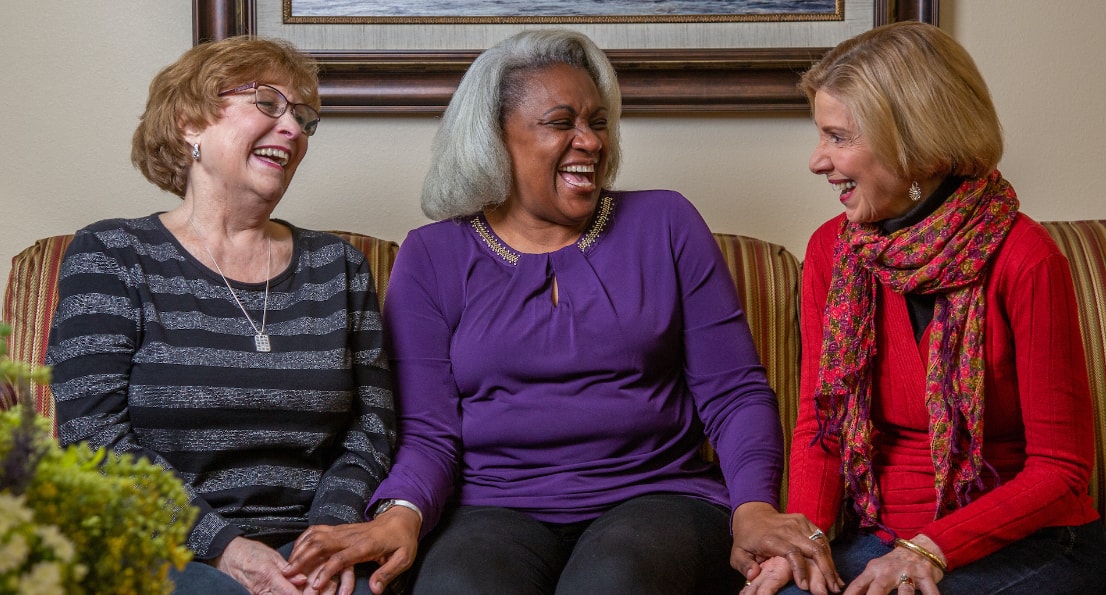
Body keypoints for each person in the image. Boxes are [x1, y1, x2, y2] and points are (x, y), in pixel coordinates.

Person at [284, 28, 841, 595]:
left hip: (657, 496)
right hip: (490, 506)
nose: (592, 142)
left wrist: (753, 507)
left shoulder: (666, 224)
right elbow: (429, 432)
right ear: (494, 139)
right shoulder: (432, 256)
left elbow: (734, 393)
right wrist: (400, 511)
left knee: (613, 580)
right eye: (561, 123)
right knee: (459, 585)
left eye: (598, 123)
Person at [742, 21, 1106, 595]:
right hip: (882, 534)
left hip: (1024, 541)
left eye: (839, 138)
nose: (817, 160)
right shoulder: (832, 253)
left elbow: (1060, 471)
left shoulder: (1026, 259)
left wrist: (932, 549)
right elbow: (824, 428)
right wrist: (803, 541)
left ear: (914, 145)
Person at [46, 36, 395, 595]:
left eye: (304, 117)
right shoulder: (111, 255)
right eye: (268, 103)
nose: (293, 128)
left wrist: (323, 544)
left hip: (306, 539)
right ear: (190, 121)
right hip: (159, 541)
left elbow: (373, 429)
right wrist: (225, 549)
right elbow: (93, 439)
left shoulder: (340, 268)